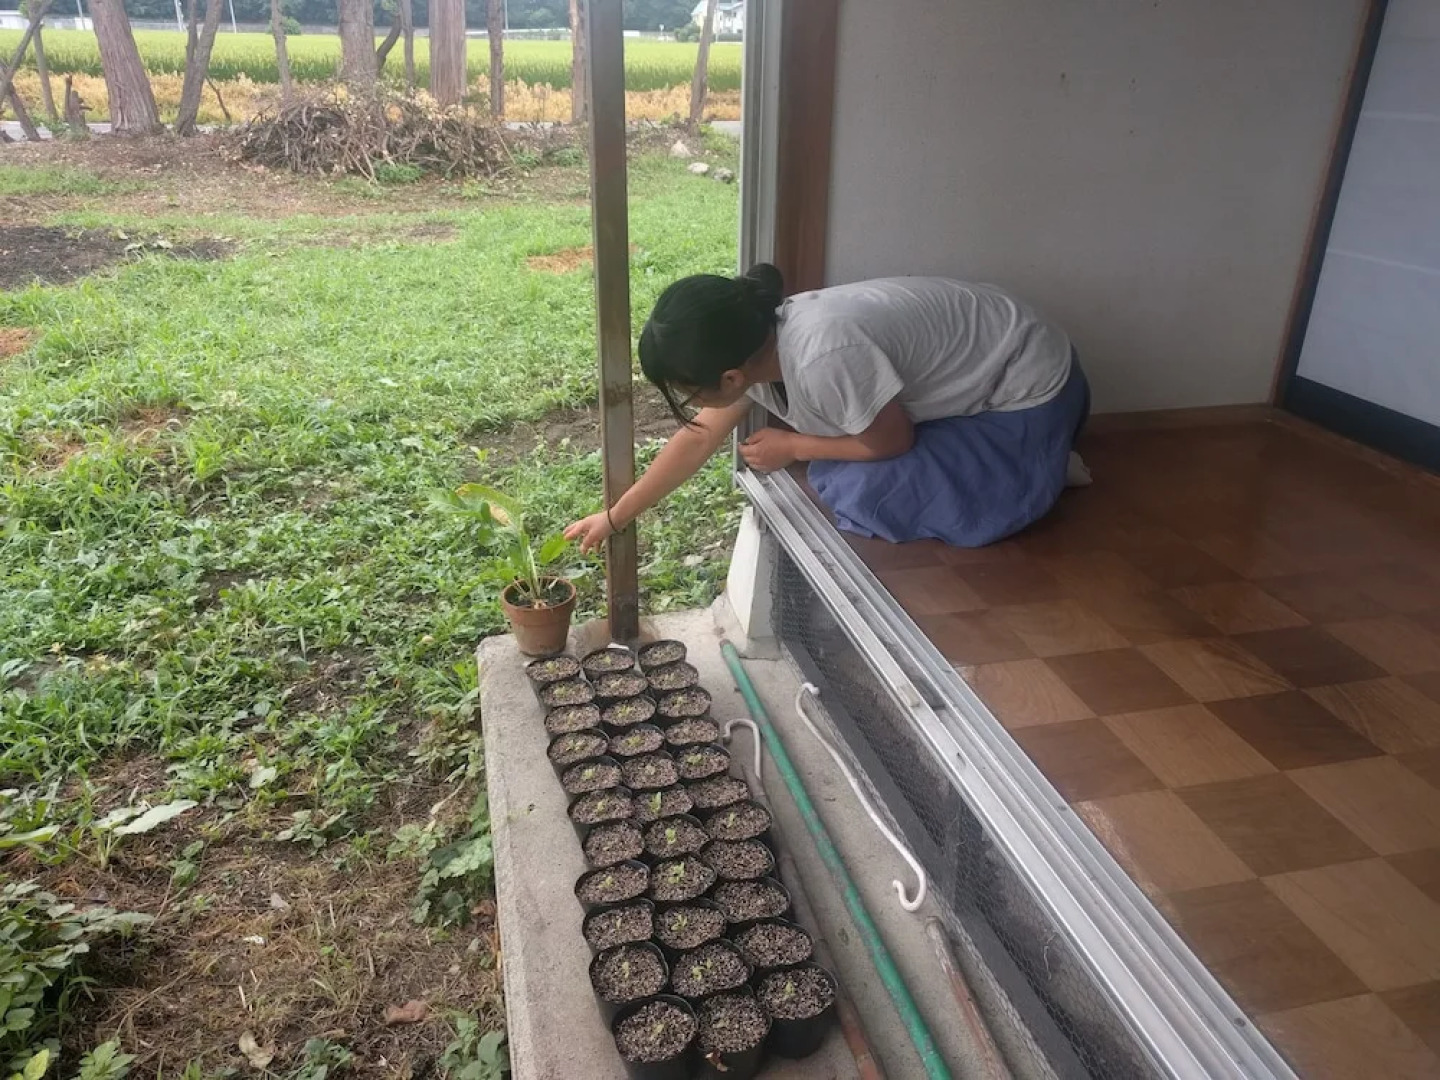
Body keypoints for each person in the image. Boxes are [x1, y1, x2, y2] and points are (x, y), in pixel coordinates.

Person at [565, 264, 1091, 554]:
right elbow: (698, 438)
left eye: (687, 392)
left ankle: (1039, 466)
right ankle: (1024, 465)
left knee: (855, 487)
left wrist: (792, 444)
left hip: (1029, 390)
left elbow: (892, 441)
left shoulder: (822, 355)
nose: (689, 404)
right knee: (841, 467)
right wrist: (615, 516)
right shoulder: (756, 341)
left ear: (730, 378)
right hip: (976, 380)